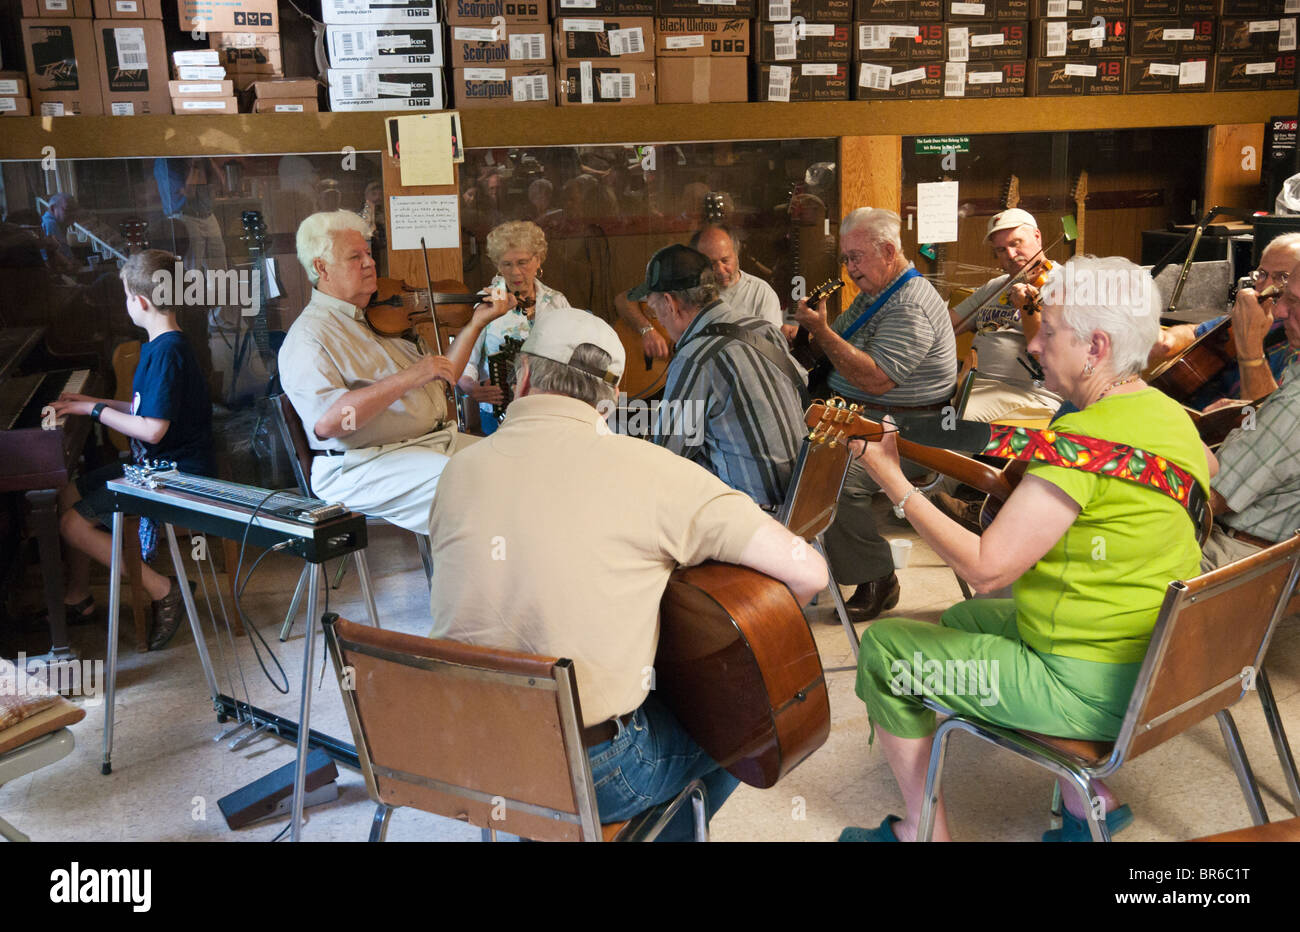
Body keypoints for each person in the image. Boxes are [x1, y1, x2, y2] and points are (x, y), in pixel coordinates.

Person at [840, 256, 1209, 842]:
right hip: (1155, 663)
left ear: (1096, 347)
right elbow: (1198, 472)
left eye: (1050, 331)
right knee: (962, 620)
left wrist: (893, 480)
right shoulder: (1168, 414)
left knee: (885, 650)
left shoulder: (1081, 440)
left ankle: (921, 831)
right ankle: (1091, 803)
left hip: (1088, 687)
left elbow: (985, 570)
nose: (1034, 343)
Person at [427, 307, 827, 840]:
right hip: (588, 769)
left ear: (522, 377)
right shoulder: (655, 472)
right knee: (745, 728)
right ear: (610, 400)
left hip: (458, 746)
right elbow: (809, 573)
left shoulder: (457, 469)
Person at [277, 210, 508, 532]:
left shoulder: (383, 316)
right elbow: (330, 423)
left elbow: (444, 377)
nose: (370, 263)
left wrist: (476, 323)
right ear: (321, 267)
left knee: (516, 466)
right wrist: (409, 377)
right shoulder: (310, 337)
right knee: (475, 487)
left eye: (368, 254)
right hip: (364, 464)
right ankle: (479, 564)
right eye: (355, 257)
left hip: (431, 444)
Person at [793, 206, 957, 622]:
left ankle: (876, 577)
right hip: (870, 417)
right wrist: (808, 334)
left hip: (907, 428)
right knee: (790, 450)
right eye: (845, 259)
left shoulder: (910, 304)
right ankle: (811, 562)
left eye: (856, 257)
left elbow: (875, 379)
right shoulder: (877, 294)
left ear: (887, 251)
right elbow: (839, 348)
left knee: (833, 478)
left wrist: (821, 331)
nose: (849, 269)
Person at [49, 249, 215, 650]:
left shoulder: (168, 352)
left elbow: (153, 430)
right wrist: (91, 403)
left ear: (140, 302)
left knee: (72, 525)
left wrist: (95, 410)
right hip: (155, 464)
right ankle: (78, 595)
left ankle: (163, 590)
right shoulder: (163, 344)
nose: (127, 303)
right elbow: (148, 411)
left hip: (175, 474)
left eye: (126, 296)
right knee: (69, 493)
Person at [629, 244, 806, 510]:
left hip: (754, 517)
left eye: (654, 310)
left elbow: (667, 455)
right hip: (802, 501)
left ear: (670, 303)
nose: (660, 321)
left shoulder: (695, 358)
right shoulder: (764, 329)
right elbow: (802, 384)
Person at [1200, 253, 1300, 570]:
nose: (1280, 311)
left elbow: (1204, 500)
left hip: (1231, 557)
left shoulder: (1294, 406)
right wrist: (1244, 417)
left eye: (1294, 301)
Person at [1149, 232, 1300, 410]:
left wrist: (1250, 347)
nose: (1266, 286)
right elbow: (1195, 332)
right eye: (1262, 274)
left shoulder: (1294, 335)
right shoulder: (1251, 316)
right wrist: (1168, 340)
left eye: (1282, 277)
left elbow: (1269, 418)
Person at [948, 208, 1064, 422]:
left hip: (1029, 393)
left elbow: (1046, 354)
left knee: (956, 417)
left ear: (1037, 236)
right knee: (917, 396)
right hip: (975, 383)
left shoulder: (1067, 286)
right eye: (1001, 250)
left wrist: (1027, 308)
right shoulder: (996, 286)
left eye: (1016, 243)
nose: (1010, 255)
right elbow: (946, 324)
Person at [456, 220, 572, 435]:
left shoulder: (557, 301)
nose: (515, 272)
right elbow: (466, 362)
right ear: (497, 265)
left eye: (522, 262)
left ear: (538, 260)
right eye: (507, 264)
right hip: (499, 413)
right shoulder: (486, 303)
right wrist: (471, 387)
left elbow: (571, 356)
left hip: (549, 409)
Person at [689, 225, 788, 336]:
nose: (720, 270)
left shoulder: (761, 293)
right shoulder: (689, 292)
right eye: (711, 263)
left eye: (725, 260)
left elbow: (772, 341)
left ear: (736, 255)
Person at [40, 193, 78, 261]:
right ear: (52, 208)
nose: (72, 214)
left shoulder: (60, 223)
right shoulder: (50, 223)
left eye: (74, 210)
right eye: (67, 210)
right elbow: (60, 255)